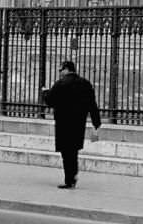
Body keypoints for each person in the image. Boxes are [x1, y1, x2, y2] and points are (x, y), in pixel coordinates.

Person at [43, 60, 101, 189]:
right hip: (78, 123)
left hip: (64, 122)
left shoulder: (61, 84)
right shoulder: (85, 84)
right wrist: (96, 124)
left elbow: (50, 101)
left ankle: (69, 179)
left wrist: (45, 92)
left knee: (66, 152)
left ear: (66, 69)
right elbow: (92, 105)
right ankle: (72, 176)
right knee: (73, 150)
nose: (59, 73)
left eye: (60, 70)